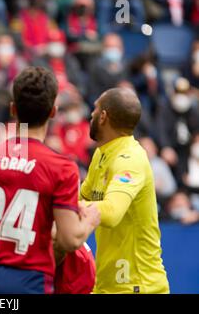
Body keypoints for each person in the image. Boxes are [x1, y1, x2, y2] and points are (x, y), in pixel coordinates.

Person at [0, 67, 100, 294]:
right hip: (29, 280)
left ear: (13, 109)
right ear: (53, 112)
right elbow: (69, 240)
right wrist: (91, 219)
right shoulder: (63, 168)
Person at [81, 87, 170, 294]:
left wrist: (61, 205)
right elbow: (81, 199)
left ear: (103, 117)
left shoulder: (130, 159)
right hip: (106, 285)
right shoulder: (101, 154)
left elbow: (111, 212)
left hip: (138, 286)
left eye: (95, 109)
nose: (91, 114)